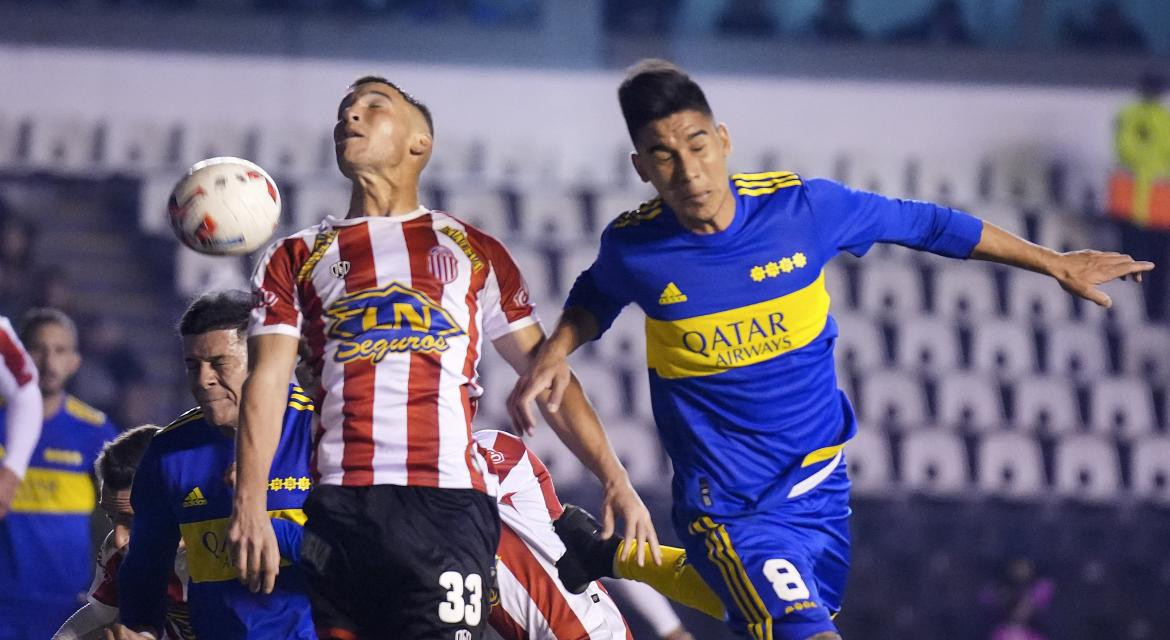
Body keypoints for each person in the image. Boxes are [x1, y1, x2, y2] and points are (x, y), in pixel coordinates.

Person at [511, 59, 1154, 640]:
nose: (689, 171)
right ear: (642, 167)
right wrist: (559, 345)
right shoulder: (635, 246)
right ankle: (616, 557)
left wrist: (1052, 262)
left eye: (698, 145)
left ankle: (606, 557)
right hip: (727, 504)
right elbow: (596, 294)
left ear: (723, 140)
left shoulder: (804, 210)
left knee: (758, 607)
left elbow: (927, 223)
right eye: (663, 155)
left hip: (819, 480)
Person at [229, 75, 657, 639]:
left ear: (419, 144)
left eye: (373, 107)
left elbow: (548, 374)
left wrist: (614, 479)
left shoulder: (473, 252)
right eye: (344, 111)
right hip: (338, 508)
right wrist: (249, 503)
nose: (350, 118)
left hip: (445, 508)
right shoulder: (295, 257)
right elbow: (266, 382)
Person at [112, 291, 315, 639]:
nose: (203, 380)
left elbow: (358, 558)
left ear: (259, 360)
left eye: (219, 363)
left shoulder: (319, 430)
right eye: (193, 365)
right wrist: (143, 630)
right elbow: (146, 567)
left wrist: (272, 531)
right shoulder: (168, 451)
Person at [1, 308, 117, 639]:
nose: (48, 361)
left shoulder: (95, 430)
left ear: (74, 361)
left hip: (67, 607)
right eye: (37, 348)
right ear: (17, 356)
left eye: (60, 350)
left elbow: (123, 511)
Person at [53, 425, 196, 640]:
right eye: (112, 516)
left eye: (133, 519)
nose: (119, 540)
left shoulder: (229, 544)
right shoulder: (118, 554)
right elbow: (99, 614)